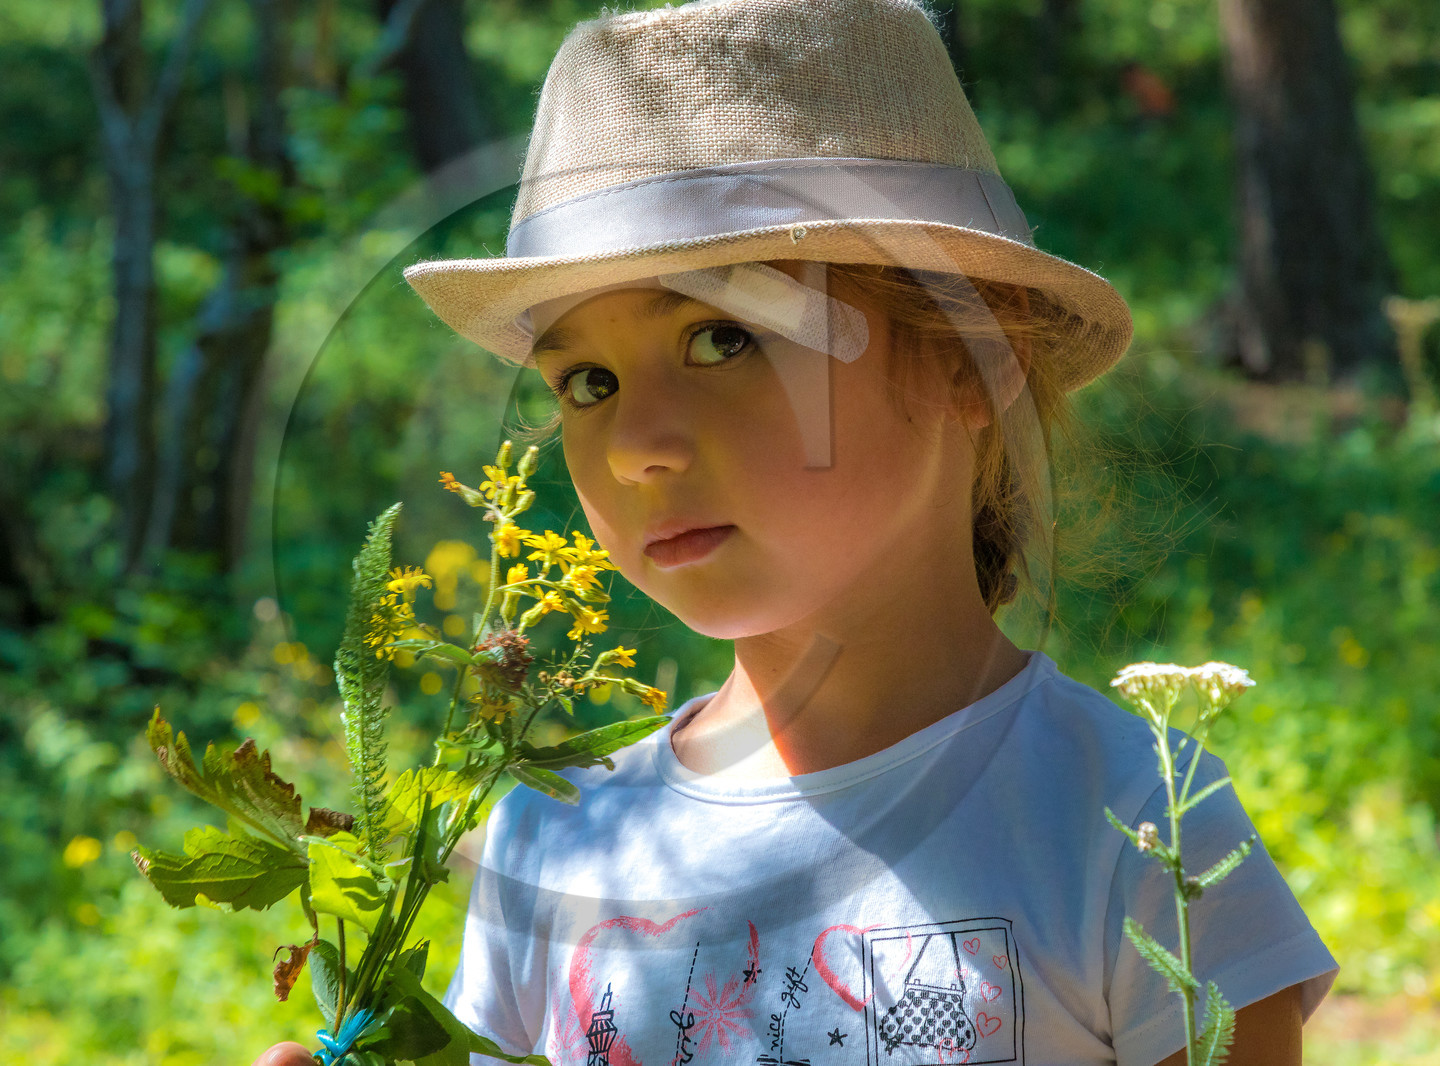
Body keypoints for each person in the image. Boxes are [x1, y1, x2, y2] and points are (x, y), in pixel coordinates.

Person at [254, 1, 1336, 1064]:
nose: (637, 445)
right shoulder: (556, 838)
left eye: (724, 339)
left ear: (966, 363)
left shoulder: (1136, 823)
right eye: (587, 380)